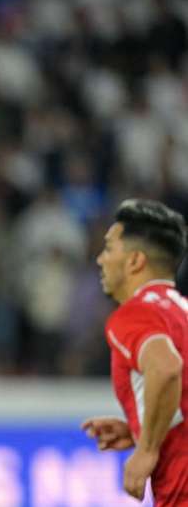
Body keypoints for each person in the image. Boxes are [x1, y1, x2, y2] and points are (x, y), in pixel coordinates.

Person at [82, 199, 187, 505]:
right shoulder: (181, 313)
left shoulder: (135, 313)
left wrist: (148, 448)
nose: (100, 259)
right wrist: (142, 427)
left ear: (135, 261)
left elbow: (167, 367)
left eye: (110, 248)